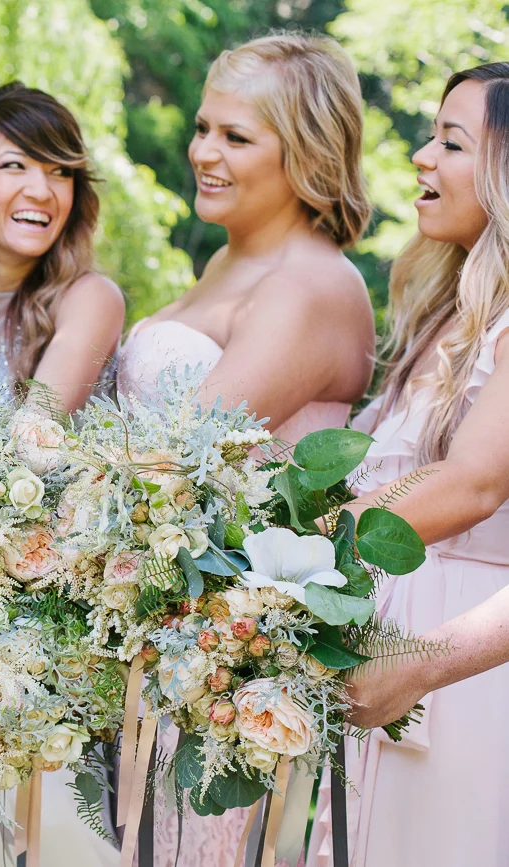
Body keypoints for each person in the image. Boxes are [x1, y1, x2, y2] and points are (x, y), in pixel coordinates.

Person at [112, 34, 376, 866]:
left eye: (235, 137)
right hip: (164, 645)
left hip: (226, 681)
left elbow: (180, 451)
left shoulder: (310, 286)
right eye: (202, 128)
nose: (202, 152)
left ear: (303, 153)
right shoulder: (231, 258)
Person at [305, 61, 509, 867]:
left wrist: (296, 549)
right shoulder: (440, 320)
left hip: (462, 672)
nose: (423, 158)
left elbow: (473, 482)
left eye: (450, 142)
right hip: (377, 660)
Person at [0, 82, 125, 414]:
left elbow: (34, 441)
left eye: (59, 172)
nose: (41, 192)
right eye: (15, 166)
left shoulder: (89, 299)